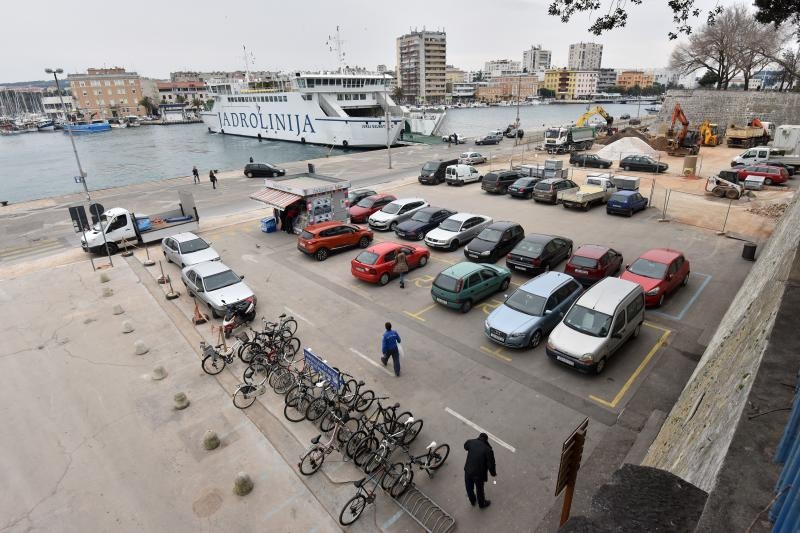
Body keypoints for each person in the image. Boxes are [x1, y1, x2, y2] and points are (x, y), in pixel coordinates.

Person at [463, 433, 496, 509]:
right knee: (479, 489)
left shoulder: (471, 442)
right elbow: (491, 464)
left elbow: (465, 446)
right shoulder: (488, 450)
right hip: (479, 474)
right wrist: (493, 473)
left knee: (469, 487)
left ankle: (472, 500)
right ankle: (482, 503)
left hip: (468, 470)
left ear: (479, 437)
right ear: (486, 440)